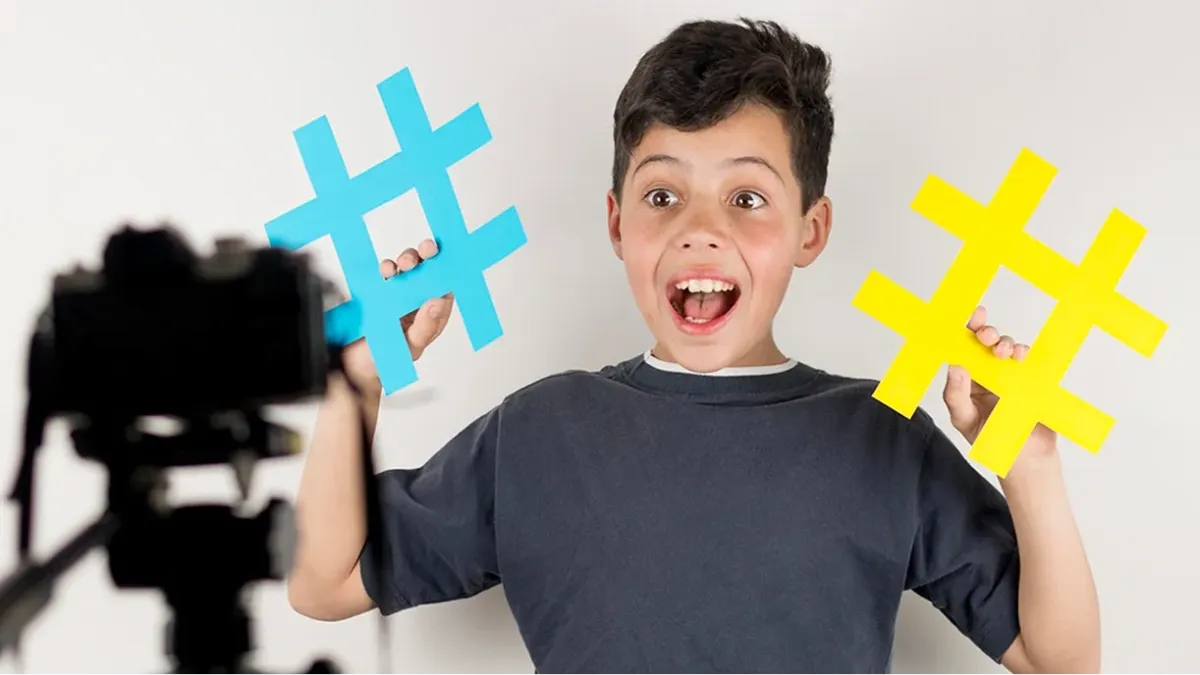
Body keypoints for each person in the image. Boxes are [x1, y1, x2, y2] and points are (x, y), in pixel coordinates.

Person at [285, 17, 1101, 675]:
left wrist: (1029, 465)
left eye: (746, 197)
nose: (700, 229)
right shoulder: (538, 431)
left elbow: (1060, 659)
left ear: (810, 229)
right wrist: (358, 385)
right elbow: (325, 581)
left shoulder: (885, 436)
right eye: (662, 195)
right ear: (616, 224)